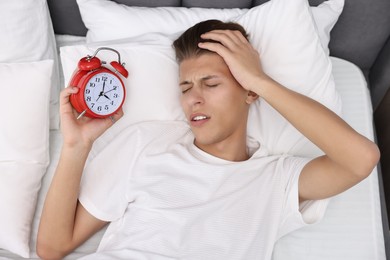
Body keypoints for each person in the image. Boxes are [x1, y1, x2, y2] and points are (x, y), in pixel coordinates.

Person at [37, 20, 380, 260]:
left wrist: (260, 81)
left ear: (248, 92)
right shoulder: (146, 142)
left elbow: (361, 158)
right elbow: (52, 248)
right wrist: (75, 147)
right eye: (185, 88)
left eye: (211, 84)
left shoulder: (276, 180)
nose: (193, 99)